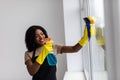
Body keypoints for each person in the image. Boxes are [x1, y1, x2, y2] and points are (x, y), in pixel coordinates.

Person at [24, 16, 95, 80]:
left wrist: (84, 39)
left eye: (42, 34)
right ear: (31, 39)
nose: (41, 37)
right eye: (36, 36)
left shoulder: (53, 47)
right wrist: (43, 53)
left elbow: (74, 49)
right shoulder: (28, 54)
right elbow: (32, 71)